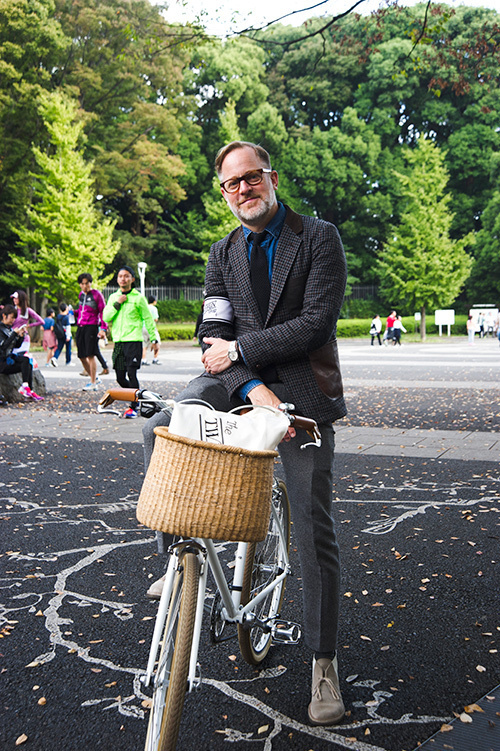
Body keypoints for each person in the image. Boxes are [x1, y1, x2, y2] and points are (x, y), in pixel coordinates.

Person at [142, 141, 347, 726]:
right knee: (162, 427)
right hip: (237, 383)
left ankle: (323, 662)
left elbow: (316, 323)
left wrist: (242, 352)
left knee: (312, 528)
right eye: (231, 184)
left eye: (250, 178)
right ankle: (175, 559)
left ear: (271, 178)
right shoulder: (221, 252)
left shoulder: (318, 237)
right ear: (224, 193)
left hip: (304, 393)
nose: (242, 190)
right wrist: (250, 384)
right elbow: (213, 337)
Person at [103, 266, 157, 418]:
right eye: (120, 276)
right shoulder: (114, 297)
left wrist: (154, 338)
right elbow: (106, 317)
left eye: (126, 276)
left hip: (133, 341)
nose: (123, 279)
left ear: (132, 279)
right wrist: (117, 303)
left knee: (132, 373)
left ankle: (133, 406)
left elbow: (148, 319)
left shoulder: (138, 298)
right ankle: (140, 396)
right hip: (119, 342)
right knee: (120, 377)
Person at [0, 304, 43, 401]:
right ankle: (26, 389)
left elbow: (16, 346)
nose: (13, 320)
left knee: (27, 362)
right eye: (11, 318)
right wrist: (14, 334)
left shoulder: (8, 328)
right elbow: (2, 347)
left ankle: (27, 389)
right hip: (2, 363)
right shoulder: (1, 329)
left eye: (14, 318)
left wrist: (20, 336)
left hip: (8, 359)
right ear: (4, 316)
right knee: (24, 361)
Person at [75, 273, 107, 391]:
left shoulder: (97, 295)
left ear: (90, 283)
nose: (85, 286)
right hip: (80, 326)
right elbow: (81, 310)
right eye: (82, 284)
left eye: (87, 283)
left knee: (90, 355)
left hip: (92, 326)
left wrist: (103, 328)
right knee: (81, 356)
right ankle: (95, 378)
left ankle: (93, 383)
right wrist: (73, 312)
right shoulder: (81, 295)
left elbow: (103, 311)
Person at [10, 291, 44, 355]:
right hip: (12, 338)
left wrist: (29, 325)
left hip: (23, 339)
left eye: (16, 298)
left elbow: (41, 321)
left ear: (21, 299)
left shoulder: (27, 310)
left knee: (22, 359)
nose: (14, 300)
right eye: (13, 298)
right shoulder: (12, 310)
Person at [142, 295, 161, 365]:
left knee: (144, 344)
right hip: (151, 327)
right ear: (154, 301)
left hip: (143, 327)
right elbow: (155, 318)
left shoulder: (145, 307)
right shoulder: (154, 308)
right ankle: (155, 358)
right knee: (157, 342)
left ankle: (144, 359)